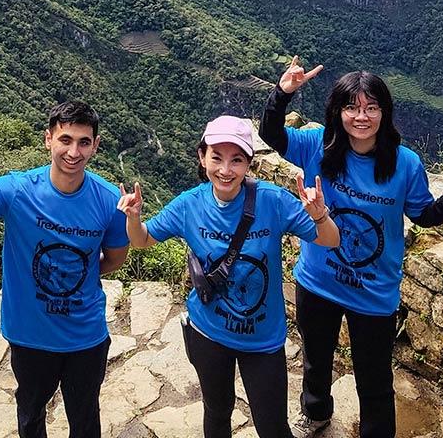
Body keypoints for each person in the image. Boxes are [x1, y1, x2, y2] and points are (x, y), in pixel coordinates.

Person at [259, 60, 443, 438]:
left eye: (371, 108)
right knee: (316, 361)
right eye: (352, 107)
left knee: (374, 380)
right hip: (317, 280)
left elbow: (423, 216)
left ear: (384, 113)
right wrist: (284, 92)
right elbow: (271, 135)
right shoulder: (318, 145)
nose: (362, 117)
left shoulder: (404, 164)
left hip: (374, 292)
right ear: (338, 111)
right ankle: (316, 413)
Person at [119, 115, 340, 438]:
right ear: (202, 157)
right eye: (216, 157)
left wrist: (320, 216)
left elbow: (330, 239)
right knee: (217, 413)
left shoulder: (272, 201)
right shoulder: (188, 205)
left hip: (263, 340)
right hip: (208, 332)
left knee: (273, 426)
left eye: (236, 160)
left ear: (249, 163)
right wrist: (134, 218)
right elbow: (142, 240)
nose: (225, 169)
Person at [0, 100, 129, 438]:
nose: (73, 151)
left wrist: (74, 276)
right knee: (31, 415)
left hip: (86, 336)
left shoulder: (110, 199)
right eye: (65, 139)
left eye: (83, 142)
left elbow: (114, 257)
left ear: (95, 146)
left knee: (85, 420)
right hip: (29, 334)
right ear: (48, 139)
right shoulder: (17, 190)